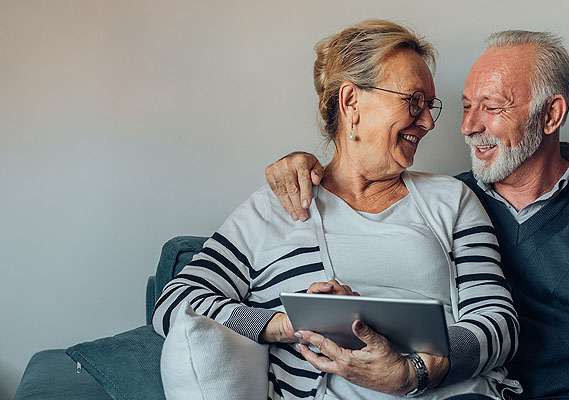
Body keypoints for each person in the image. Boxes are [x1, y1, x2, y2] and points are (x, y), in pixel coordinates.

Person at [265, 30, 569, 400]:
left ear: (551, 115)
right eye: (466, 106)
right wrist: (304, 164)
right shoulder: (448, 201)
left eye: (491, 108)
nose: (468, 126)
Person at [153, 20, 521, 400]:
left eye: (430, 106)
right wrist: (284, 324)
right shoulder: (274, 208)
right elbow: (176, 302)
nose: (427, 122)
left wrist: (413, 373)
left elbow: (498, 322)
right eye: (413, 101)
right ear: (351, 102)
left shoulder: (451, 199)